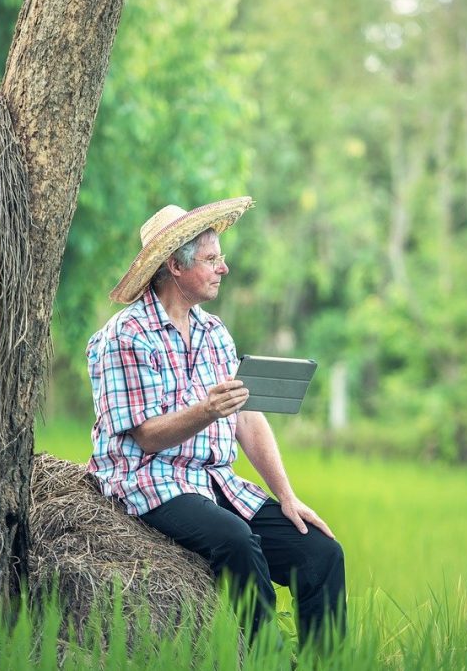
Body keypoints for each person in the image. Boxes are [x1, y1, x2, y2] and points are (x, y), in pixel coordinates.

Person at [85, 196, 346, 647]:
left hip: (212, 481)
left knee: (321, 552)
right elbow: (146, 438)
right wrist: (206, 410)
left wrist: (287, 497)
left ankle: (331, 662)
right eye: (211, 259)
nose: (223, 268)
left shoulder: (215, 333)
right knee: (236, 540)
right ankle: (268, 659)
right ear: (175, 266)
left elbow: (247, 417)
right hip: (148, 481)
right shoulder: (124, 336)